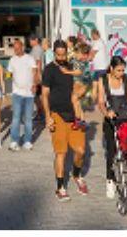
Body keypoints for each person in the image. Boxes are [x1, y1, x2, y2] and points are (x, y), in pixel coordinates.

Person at [41, 39, 89, 201]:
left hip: (74, 115)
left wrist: (82, 91)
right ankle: (60, 187)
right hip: (57, 115)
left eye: (63, 55)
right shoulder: (49, 70)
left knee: (80, 150)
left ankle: (76, 175)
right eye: (58, 55)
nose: (61, 57)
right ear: (54, 53)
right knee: (61, 153)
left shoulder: (71, 66)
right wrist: (47, 116)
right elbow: (45, 94)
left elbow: (82, 79)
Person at [96, 56, 127, 199]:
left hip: (125, 118)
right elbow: (100, 102)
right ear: (112, 69)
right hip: (111, 120)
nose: (121, 73)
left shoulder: (126, 79)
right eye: (119, 70)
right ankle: (110, 180)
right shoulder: (103, 80)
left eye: (123, 70)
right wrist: (107, 113)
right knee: (111, 151)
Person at [6, 39, 37, 151]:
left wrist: (34, 84)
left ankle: (27, 141)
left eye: (18, 48)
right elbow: (9, 74)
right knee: (16, 118)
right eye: (14, 49)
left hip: (29, 93)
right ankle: (14, 141)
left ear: (22, 47)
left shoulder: (29, 58)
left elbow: (35, 72)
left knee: (28, 119)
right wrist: (7, 83)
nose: (16, 50)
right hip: (17, 93)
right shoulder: (12, 60)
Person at [29, 36, 46, 121]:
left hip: (35, 75)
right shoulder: (36, 49)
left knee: (37, 95)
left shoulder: (37, 49)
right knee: (37, 96)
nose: (30, 42)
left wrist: (37, 76)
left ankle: (42, 114)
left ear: (36, 40)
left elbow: (38, 62)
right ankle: (40, 113)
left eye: (31, 40)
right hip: (35, 74)